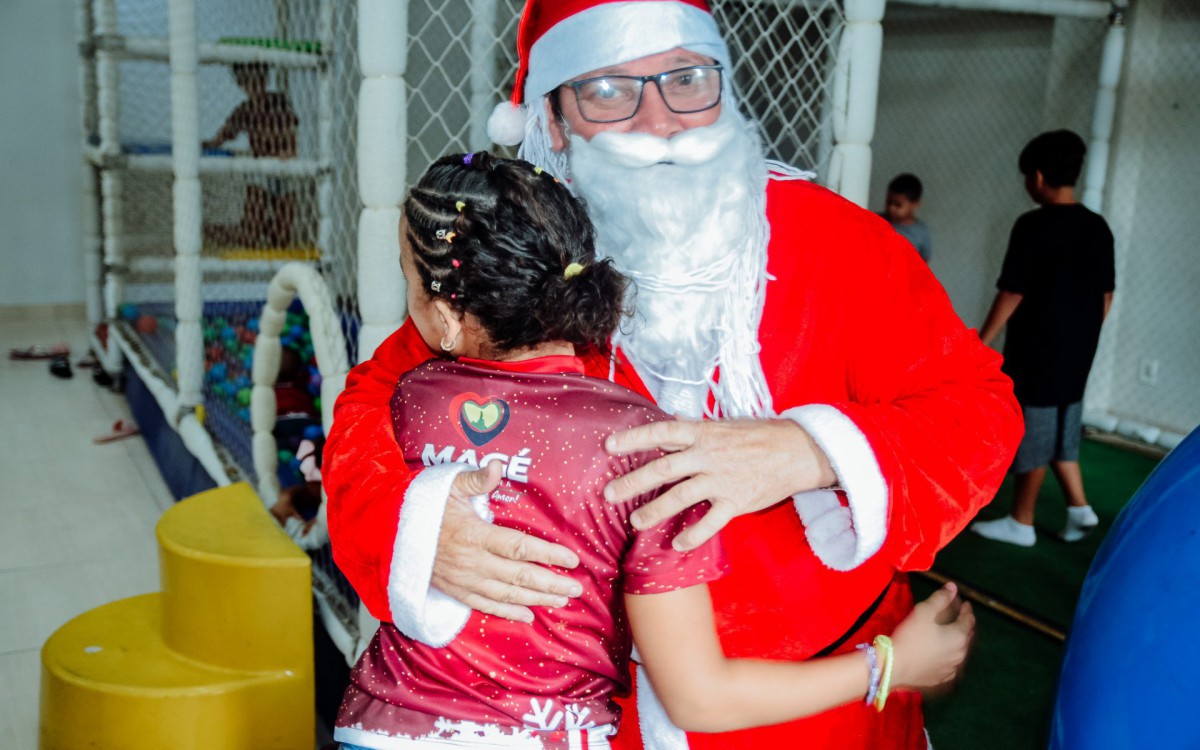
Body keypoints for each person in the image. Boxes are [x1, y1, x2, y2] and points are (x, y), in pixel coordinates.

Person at [324, 2, 1023, 748]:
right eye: (609, 90)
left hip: (823, 710)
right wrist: (420, 527)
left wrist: (810, 450)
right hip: (583, 720)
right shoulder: (519, 260)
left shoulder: (839, 241)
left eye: (687, 79)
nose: (661, 122)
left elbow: (980, 409)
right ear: (552, 121)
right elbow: (375, 404)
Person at [971, 130, 1115, 548]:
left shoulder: (1032, 226)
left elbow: (1013, 291)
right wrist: (1085, 334)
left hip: (1037, 347)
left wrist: (982, 340)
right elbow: (1106, 293)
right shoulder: (1097, 226)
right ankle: (1078, 509)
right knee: (1063, 425)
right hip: (1079, 347)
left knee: (1034, 428)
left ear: (1036, 176)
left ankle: (1022, 520)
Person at [202, 62, 299, 248]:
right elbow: (223, 135)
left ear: (265, 78)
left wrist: (290, 150)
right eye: (248, 81)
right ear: (241, 84)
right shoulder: (244, 110)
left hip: (284, 168)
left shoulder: (279, 101)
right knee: (250, 237)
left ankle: (264, 226)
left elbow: (291, 128)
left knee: (281, 240)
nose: (255, 85)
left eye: (259, 79)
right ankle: (210, 229)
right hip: (260, 169)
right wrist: (206, 144)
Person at [881, 173, 933, 263]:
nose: (891, 208)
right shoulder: (877, 220)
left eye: (898, 205)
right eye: (888, 202)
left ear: (915, 204)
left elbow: (924, 263)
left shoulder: (921, 232)